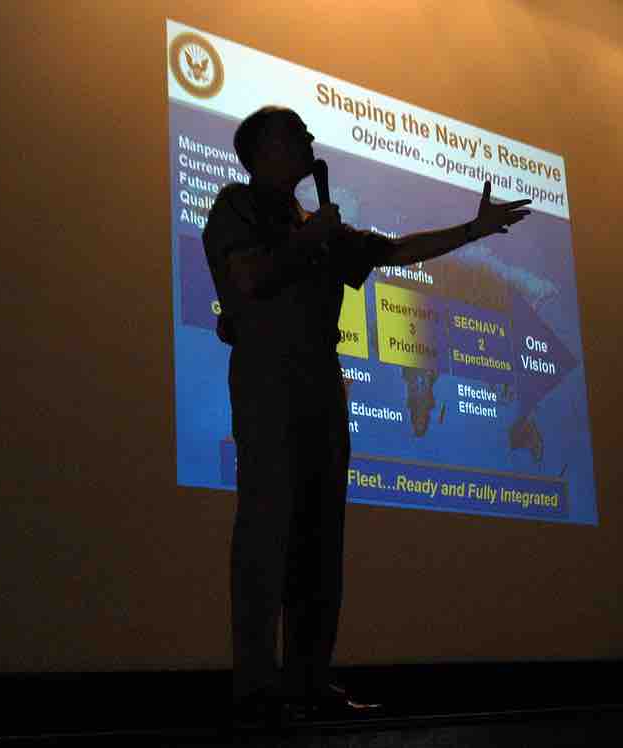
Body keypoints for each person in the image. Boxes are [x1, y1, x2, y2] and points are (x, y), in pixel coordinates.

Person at [201, 106, 531, 729]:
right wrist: (309, 240)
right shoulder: (235, 206)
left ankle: (309, 681)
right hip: (268, 376)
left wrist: (475, 230)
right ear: (264, 147)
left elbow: (398, 251)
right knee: (267, 530)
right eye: (297, 132)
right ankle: (257, 692)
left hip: (322, 381)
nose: (310, 138)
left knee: (321, 537)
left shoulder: (318, 224)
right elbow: (245, 278)